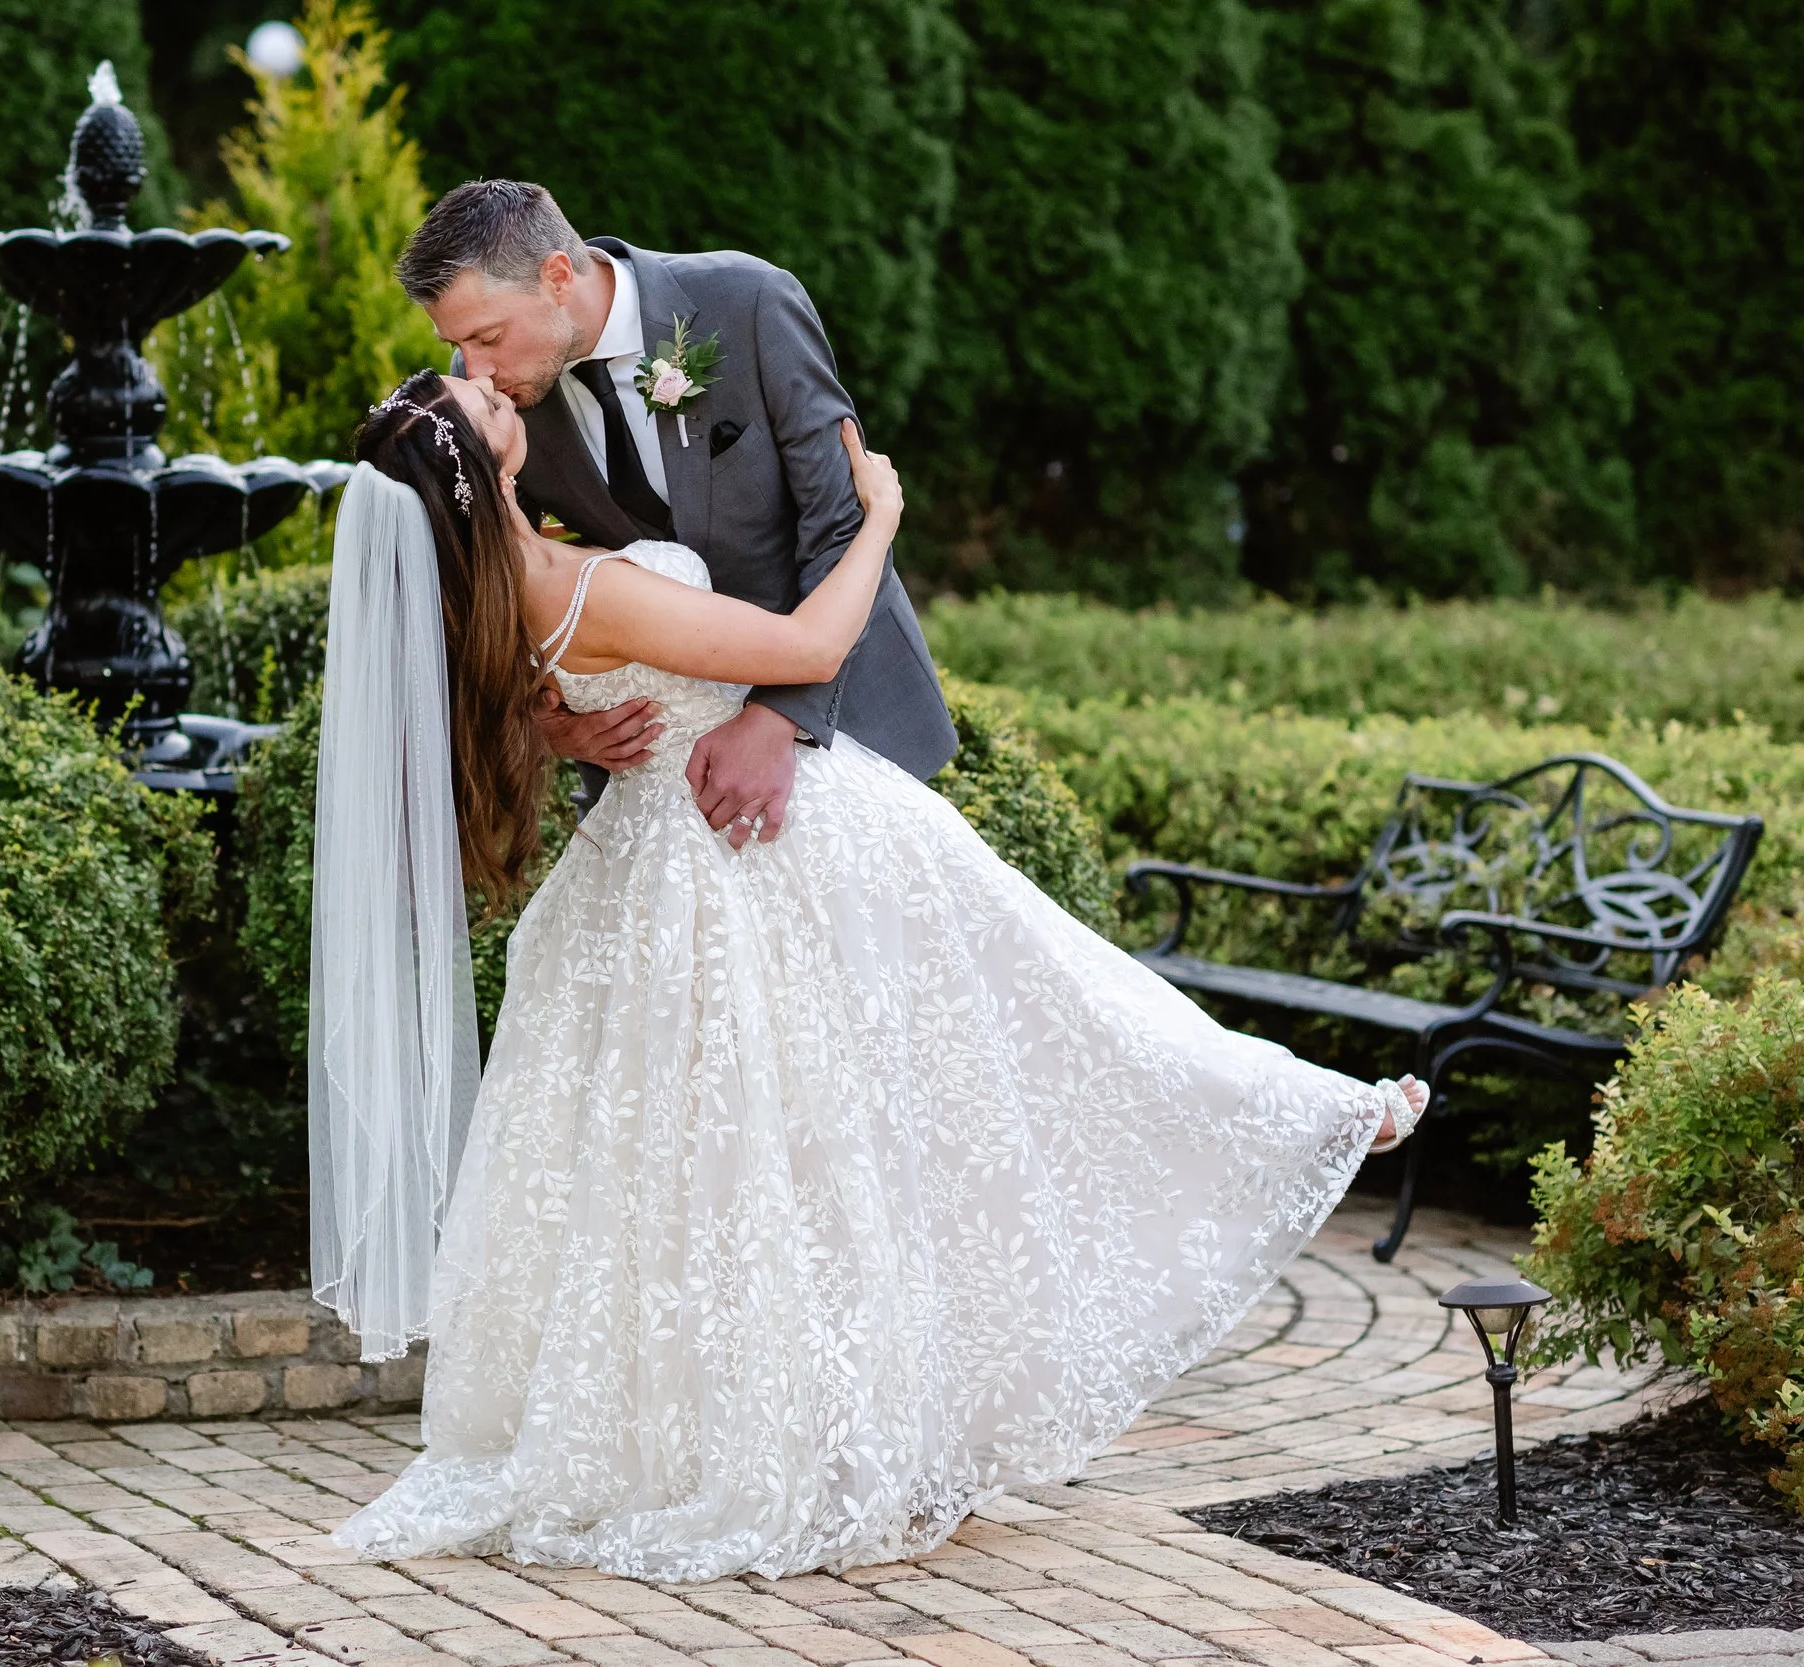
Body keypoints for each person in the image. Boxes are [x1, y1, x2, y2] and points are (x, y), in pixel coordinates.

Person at [306, 362, 1428, 1583]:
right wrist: (881, 511)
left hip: (653, 864)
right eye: (473, 402)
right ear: (477, 470)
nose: (485, 384)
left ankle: (734, 1425)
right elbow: (805, 640)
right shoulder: (577, 583)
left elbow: (485, 705)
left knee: (729, 1171)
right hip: (748, 852)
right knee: (1024, 1016)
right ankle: (1296, 1112)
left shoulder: (505, 586)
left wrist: (558, 723)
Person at [391, 179, 957, 845]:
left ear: (557, 275)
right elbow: (488, 573)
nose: (476, 369)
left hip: (840, 726)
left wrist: (777, 718)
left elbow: (841, 518)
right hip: (655, 787)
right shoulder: (488, 406)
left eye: (487, 336)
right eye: (460, 344)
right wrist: (546, 723)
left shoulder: (749, 302)